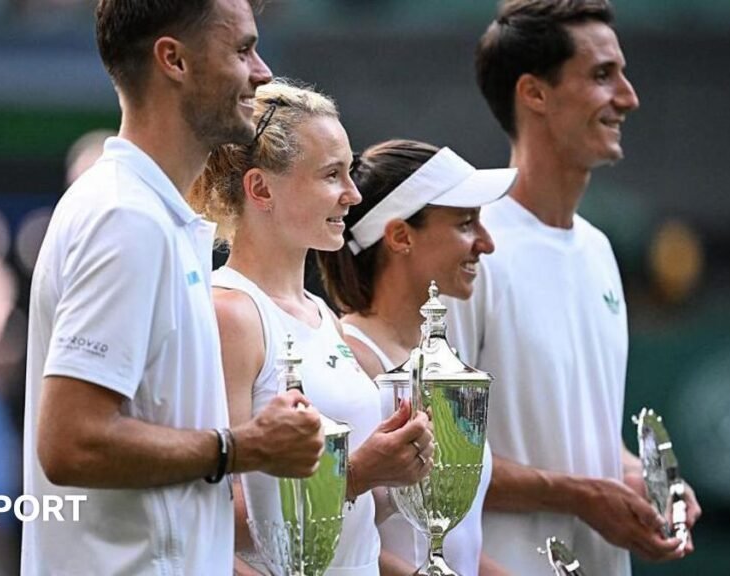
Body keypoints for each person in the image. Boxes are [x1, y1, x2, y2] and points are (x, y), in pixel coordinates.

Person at [22, 2, 326, 574]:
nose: (262, 72)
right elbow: (72, 442)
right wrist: (245, 447)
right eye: (242, 50)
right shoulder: (125, 217)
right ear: (174, 60)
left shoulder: (151, 217)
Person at [443, 1, 702, 574]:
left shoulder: (599, 251)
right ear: (534, 93)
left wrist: (638, 477)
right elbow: (439, 462)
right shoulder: (467, 250)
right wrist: (583, 495)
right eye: (603, 76)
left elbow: (583, 434)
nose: (629, 97)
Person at [189, 80, 435, 576]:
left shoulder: (321, 315)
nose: (353, 193)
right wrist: (360, 473)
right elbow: (215, 520)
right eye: (331, 174)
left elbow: (350, 520)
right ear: (261, 188)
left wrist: (401, 470)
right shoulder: (231, 314)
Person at [316, 139, 516, 576]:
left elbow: (446, 539)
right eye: (466, 224)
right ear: (401, 236)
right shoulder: (346, 358)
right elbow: (338, 533)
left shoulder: (440, 357)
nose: (486, 243)